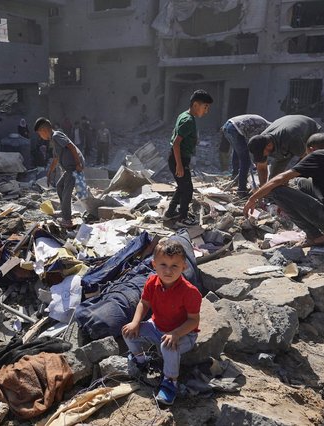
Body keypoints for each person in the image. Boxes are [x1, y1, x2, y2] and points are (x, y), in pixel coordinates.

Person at [243, 133, 324, 247]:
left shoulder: (318, 155)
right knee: (301, 181)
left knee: (276, 191)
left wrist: (253, 198)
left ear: (311, 149)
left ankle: (315, 237)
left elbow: (280, 178)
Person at [122, 238, 201, 406]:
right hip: (156, 327)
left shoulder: (190, 292)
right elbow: (144, 303)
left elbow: (193, 321)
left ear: (184, 267)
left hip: (183, 335)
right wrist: (136, 322)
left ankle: (170, 381)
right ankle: (141, 360)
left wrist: (176, 334)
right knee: (128, 331)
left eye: (174, 266)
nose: (168, 271)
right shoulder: (152, 282)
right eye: (163, 265)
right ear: (154, 264)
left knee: (168, 345)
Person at [164, 89, 213, 226]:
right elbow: (176, 143)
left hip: (177, 158)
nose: (206, 111)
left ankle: (170, 213)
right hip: (178, 159)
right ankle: (183, 218)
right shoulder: (188, 120)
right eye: (205, 107)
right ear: (196, 105)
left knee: (182, 187)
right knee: (188, 190)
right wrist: (179, 165)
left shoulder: (184, 115)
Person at [34, 117, 85, 228]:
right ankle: (65, 212)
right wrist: (49, 174)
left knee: (66, 193)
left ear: (44, 130)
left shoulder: (57, 135)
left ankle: (67, 220)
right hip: (69, 169)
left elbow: (71, 146)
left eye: (39, 134)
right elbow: (56, 158)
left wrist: (78, 164)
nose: (40, 136)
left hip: (73, 167)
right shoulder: (53, 140)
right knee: (59, 186)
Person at [247, 115, 322, 186]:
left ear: (269, 145)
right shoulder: (261, 141)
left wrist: (288, 176)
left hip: (310, 130)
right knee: (274, 180)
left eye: (262, 153)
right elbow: (262, 167)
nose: (262, 156)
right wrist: (263, 190)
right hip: (285, 138)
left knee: (310, 166)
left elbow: (305, 157)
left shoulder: (291, 137)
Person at [221, 114, 271, 197]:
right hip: (234, 129)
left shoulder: (264, 124)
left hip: (228, 126)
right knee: (245, 160)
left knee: (238, 152)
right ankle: (242, 190)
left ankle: (235, 175)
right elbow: (255, 147)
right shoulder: (265, 131)